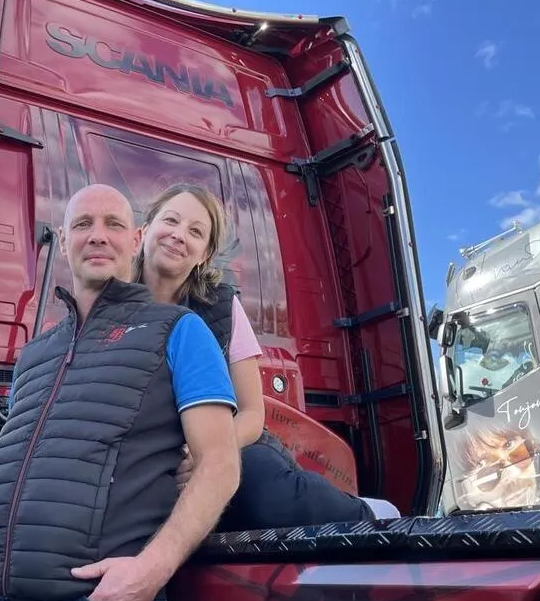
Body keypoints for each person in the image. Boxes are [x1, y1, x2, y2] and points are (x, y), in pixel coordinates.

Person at [0, 183, 241, 601]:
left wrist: (148, 573)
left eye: (113, 224)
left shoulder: (178, 330)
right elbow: (16, 459)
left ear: (135, 240)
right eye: (83, 224)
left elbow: (220, 465)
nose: (98, 236)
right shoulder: (36, 355)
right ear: (64, 241)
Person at [132, 183, 393, 529]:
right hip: (155, 453)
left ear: (204, 255)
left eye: (195, 232)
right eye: (171, 221)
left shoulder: (222, 307)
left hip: (228, 441)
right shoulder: (113, 306)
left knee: (267, 500)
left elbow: (252, 413)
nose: (179, 235)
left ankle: (368, 513)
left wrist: (207, 454)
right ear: (144, 229)